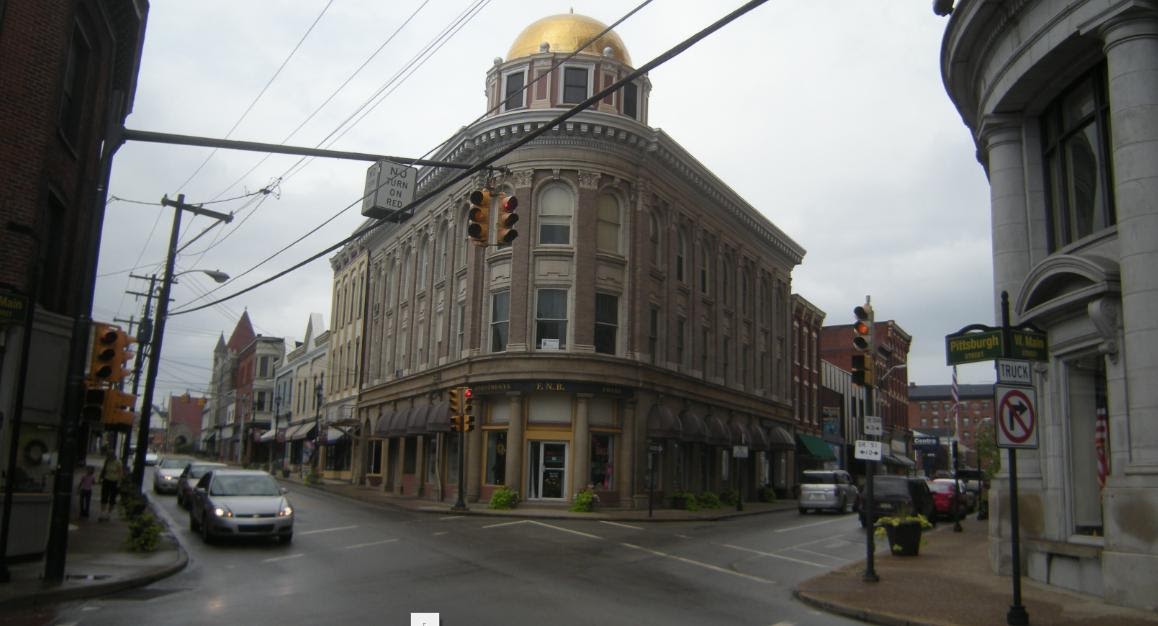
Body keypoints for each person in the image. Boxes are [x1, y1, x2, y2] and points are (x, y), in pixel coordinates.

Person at [97, 449, 124, 521]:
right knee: (104, 496)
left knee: (112, 498)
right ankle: (102, 513)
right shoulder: (107, 461)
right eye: (107, 456)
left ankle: (108, 514)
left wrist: (119, 482)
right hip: (106, 480)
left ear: (112, 456)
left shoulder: (118, 462)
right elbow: (104, 470)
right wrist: (100, 478)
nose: (108, 457)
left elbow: (120, 473)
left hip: (114, 482)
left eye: (109, 456)